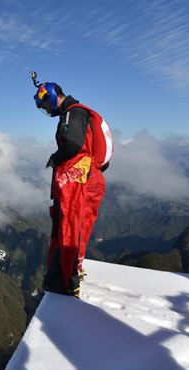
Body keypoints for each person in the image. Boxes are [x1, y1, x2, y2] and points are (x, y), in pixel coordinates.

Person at [33, 81, 112, 298]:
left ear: (50, 96)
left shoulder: (73, 113)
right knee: (80, 225)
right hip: (89, 177)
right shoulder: (80, 113)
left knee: (67, 226)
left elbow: (72, 143)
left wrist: (55, 157)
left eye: (45, 105)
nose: (46, 110)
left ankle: (65, 282)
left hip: (76, 180)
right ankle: (74, 270)